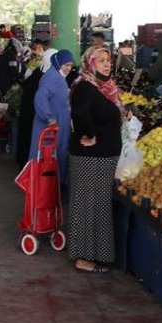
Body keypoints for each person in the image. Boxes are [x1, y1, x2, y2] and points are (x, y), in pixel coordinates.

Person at [67, 47, 124, 274]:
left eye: (108, 59)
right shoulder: (85, 86)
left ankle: (99, 255)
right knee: (87, 205)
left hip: (104, 156)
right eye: (100, 60)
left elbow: (107, 113)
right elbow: (79, 114)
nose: (106, 64)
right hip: (90, 158)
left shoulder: (105, 88)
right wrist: (91, 135)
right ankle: (83, 257)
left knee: (99, 206)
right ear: (90, 63)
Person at [32, 50, 75, 184]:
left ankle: (54, 188)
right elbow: (40, 98)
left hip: (58, 125)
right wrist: (49, 118)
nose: (68, 68)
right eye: (66, 65)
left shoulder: (57, 76)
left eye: (70, 65)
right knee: (47, 158)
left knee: (56, 157)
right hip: (50, 127)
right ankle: (46, 189)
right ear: (58, 63)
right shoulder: (52, 77)